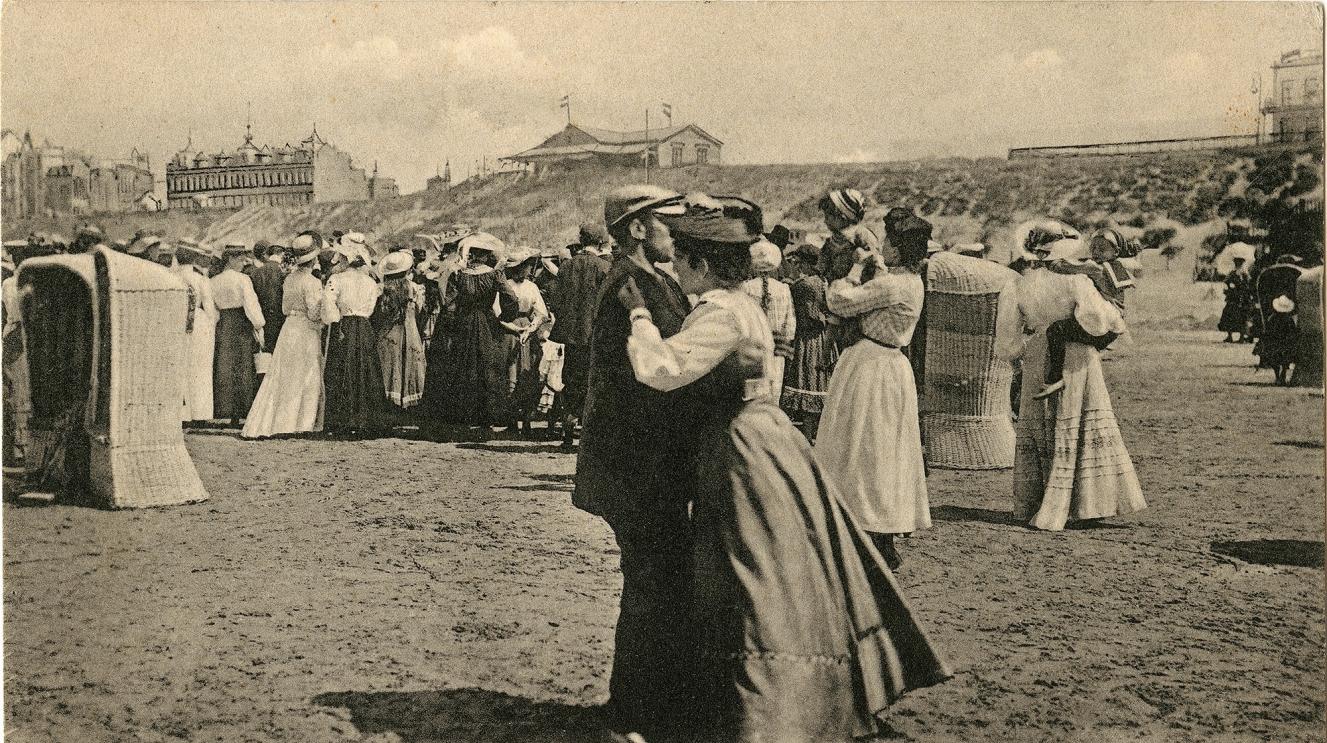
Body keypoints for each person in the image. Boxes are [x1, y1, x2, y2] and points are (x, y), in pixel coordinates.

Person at [617, 193, 951, 741]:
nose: (675, 268)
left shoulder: (723, 311)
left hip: (744, 447)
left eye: (682, 259)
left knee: (751, 571)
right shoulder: (743, 301)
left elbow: (661, 368)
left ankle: (770, 706)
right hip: (769, 437)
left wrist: (639, 317)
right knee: (779, 566)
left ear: (702, 264)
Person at [571, 184, 693, 741]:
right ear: (639, 228)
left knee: (658, 578)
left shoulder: (650, 281)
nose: (678, 231)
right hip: (638, 461)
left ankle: (645, 703)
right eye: (668, 222)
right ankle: (638, 712)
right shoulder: (630, 284)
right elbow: (647, 379)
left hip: (645, 458)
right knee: (653, 578)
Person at [995, 219, 1145, 531]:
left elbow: (1007, 342)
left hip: (1036, 352)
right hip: (1076, 355)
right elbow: (1097, 321)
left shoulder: (1017, 283)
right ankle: (1080, 504)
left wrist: (1027, 350)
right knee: (1076, 422)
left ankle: (1032, 504)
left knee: (1040, 424)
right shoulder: (1075, 278)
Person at [815, 219, 931, 571]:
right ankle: (881, 534)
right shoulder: (911, 282)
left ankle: (870, 532)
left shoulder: (894, 286)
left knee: (862, 447)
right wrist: (876, 265)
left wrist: (853, 268)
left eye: (889, 244)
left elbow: (838, 301)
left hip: (870, 368)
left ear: (898, 249)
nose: (884, 248)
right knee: (883, 449)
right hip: (890, 366)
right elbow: (884, 287)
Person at [427, 233, 519, 433]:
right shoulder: (495, 275)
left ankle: (465, 415)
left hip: (464, 323)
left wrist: (452, 326)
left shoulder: (459, 275)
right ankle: (487, 416)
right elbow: (511, 298)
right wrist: (504, 317)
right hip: (487, 322)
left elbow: (449, 305)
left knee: (464, 367)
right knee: (489, 367)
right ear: (486, 256)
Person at [1034, 226, 1138, 399]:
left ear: (1115, 252)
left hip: (1103, 324)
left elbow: (1065, 267)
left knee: (1055, 330)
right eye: (1093, 248)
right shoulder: (1115, 267)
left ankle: (1055, 378)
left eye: (1102, 249)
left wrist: (1047, 259)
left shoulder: (1097, 268)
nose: (1096, 252)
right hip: (1110, 326)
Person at [241, 234, 327, 439]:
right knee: (307, 373)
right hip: (306, 329)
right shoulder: (312, 282)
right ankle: (302, 421)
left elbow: (285, 307)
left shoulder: (289, 279)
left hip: (290, 327)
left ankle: (282, 420)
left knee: (284, 374)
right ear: (313, 260)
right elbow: (314, 313)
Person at [549, 223, 614, 448]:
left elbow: (555, 302)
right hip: (595, 337)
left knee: (572, 380)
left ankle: (567, 428)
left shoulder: (566, 267)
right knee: (593, 382)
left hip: (571, 337)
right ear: (600, 243)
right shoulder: (605, 268)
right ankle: (588, 434)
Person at [322, 243, 390, 435]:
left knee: (343, 369)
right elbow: (371, 307)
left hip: (345, 326)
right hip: (364, 326)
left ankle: (342, 420)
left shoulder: (337, 278)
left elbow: (328, 302)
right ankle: (366, 420)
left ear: (347, 260)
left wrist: (334, 320)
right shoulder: (369, 282)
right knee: (365, 369)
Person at [781, 242, 837, 439]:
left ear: (805, 263)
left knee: (807, 384)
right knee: (821, 385)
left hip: (808, 340)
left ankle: (806, 436)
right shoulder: (824, 282)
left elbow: (807, 316)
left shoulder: (803, 286)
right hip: (824, 339)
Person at [494, 247, 550, 435]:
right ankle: (511, 421)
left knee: (528, 374)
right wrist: (516, 328)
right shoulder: (504, 286)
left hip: (527, 329)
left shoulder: (531, 287)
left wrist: (531, 327)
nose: (527, 271)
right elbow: (496, 314)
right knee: (510, 373)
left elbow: (541, 313)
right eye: (525, 267)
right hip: (509, 331)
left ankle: (525, 420)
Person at [816, 188, 881, 350]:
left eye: (828, 216)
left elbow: (875, 266)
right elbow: (824, 267)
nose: (825, 221)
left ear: (842, 216)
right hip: (837, 298)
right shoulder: (832, 241)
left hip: (859, 299)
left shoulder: (862, 235)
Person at [210, 244, 266, 425]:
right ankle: (241, 410)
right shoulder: (242, 280)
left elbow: (213, 309)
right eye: (241, 259)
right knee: (242, 366)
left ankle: (224, 409)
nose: (244, 262)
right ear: (231, 259)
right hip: (241, 324)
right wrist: (259, 325)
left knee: (224, 365)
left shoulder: (214, 280)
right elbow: (251, 305)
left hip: (223, 324)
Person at [740, 239, 794, 404]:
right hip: (776, 349)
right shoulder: (784, 289)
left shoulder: (746, 287)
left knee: (751, 396)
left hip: (752, 347)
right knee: (773, 394)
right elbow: (790, 324)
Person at [373, 250, 428, 412]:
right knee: (410, 360)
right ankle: (408, 399)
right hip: (410, 330)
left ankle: (389, 398)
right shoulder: (415, 288)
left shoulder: (381, 289)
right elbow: (419, 310)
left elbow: (376, 313)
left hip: (388, 332)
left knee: (389, 362)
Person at [173, 240, 218, 424]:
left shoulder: (169, 276)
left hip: (175, 324)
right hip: (199, 324)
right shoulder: (200, 280)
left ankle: (181, 413)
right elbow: (210, 309)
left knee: (179, 369)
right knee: (200, 369)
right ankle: (200, 413)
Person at [249, 243, 288, 357]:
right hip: (280, 318)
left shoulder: (255, 272)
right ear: (281, 254)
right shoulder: (284, 272)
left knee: (264, 354)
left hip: (261, 317)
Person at [1262, 295, 1298, 384]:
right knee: (1285, 360)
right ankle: (1283, 374)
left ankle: (1278, 376)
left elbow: (1268, 331)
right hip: (1285, 342)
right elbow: (1293, 332)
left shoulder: (1272, 318)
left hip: (1276, 342)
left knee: (1275, 360)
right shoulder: (1288, 319)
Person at [1219, 256, 1254, 343]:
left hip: (1242, 299)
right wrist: (1229, 288)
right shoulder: (1232, 273)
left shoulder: (1245, 275)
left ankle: (1242, 337)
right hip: (1233, 298)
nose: (1238, 264)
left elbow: (1249, 285)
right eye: (1237, 263)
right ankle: (1229, 336)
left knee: (1242, 317)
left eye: (1240, 263)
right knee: (1229, 315)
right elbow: (1226, 282)